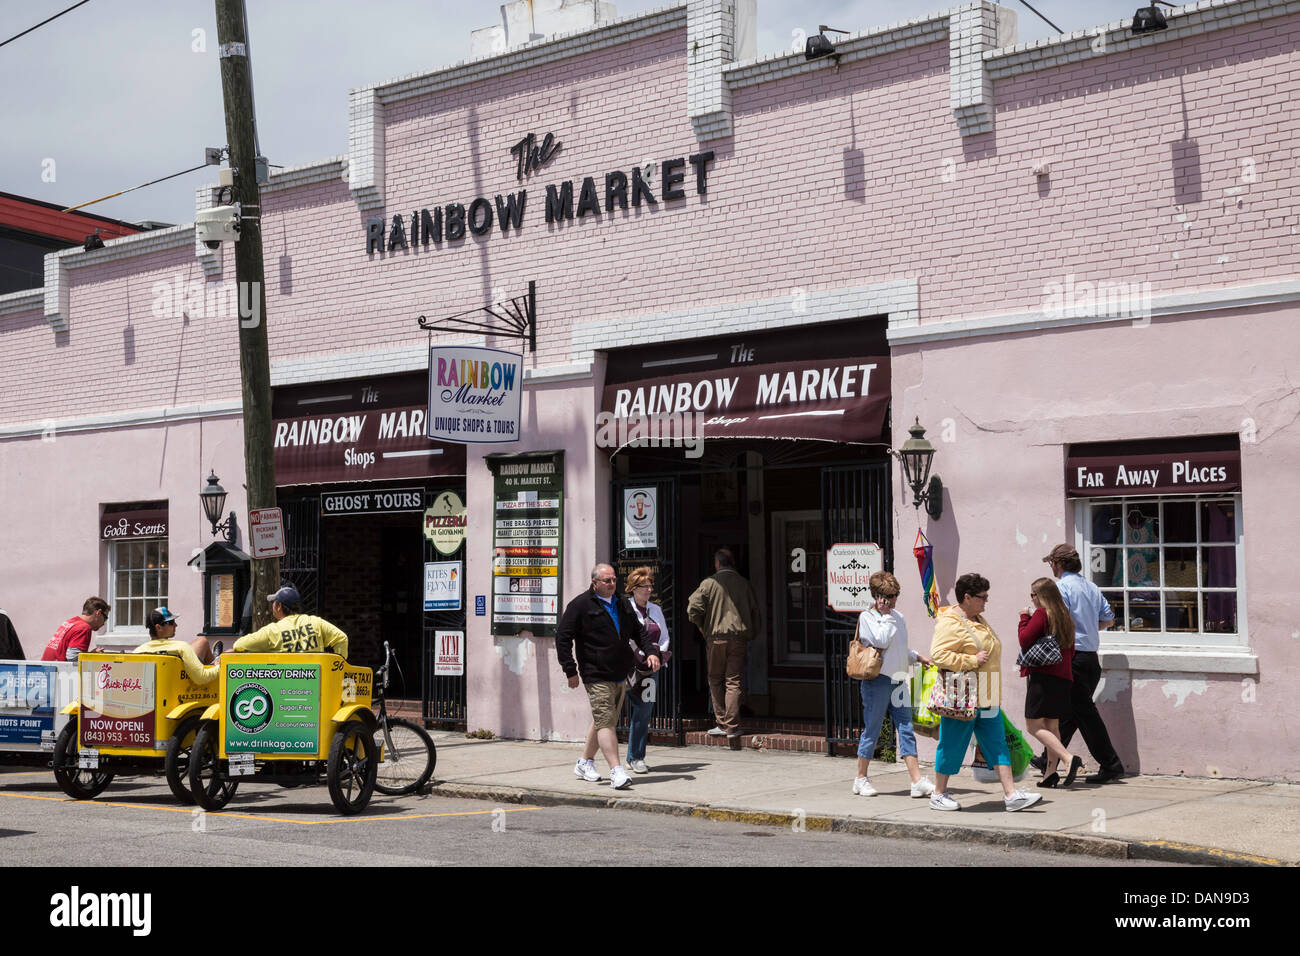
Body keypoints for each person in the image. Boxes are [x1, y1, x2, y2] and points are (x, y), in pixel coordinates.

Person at [928, 573, 1042, 813]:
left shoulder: (977, 618)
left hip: (986, 696)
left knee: (997, 744)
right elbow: (938, 655)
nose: (986, 601)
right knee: (951, 745)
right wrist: (971, 659)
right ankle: (938, 794)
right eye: (982, 597)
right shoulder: (950, 622)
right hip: (963, 698)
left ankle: (1011, 795)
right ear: (967, 597)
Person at [556, 564, 661, 791]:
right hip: (595, 673)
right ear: (594, 583)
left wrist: (651, 652)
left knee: (605, 719)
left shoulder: (621, 603)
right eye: (607, 580)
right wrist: (570, 670)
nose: (612, 584)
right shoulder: (580, 606)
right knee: (606, 721)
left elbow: (638, 631)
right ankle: (617, 770)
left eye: (614, 580)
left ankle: (584, 762)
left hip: (619, 672)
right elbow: (563, 638)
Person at [1032, 544, 1126, 784]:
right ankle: (1048, 759)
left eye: (1051, 563)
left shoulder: (1060, 588)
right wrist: (1085, 628)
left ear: (1058, 563)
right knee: (1071, 713)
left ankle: (1111, 764)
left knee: (1083, 713)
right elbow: (1107, 620)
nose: (1051, 567)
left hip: (1073, 657)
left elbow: (1055, 620)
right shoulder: (1091, 587)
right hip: (1090, 658)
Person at [852, 571, 935, 798]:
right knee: (873, 729)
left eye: (896, 594)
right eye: (889, 595)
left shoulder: (898, 616)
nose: (894, 599)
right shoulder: (867, 617)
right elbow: (880, 640)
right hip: (877, 681)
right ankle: (861, 778)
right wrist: (886, 616)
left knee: (906, 729)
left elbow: (898, 648)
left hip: (898, 679)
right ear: (879, 596)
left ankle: (917, 781)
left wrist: (917, 657)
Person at [687, 548, 761, 739]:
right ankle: (732, 727)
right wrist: (750, 634)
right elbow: (755, 614)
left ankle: (721, 723)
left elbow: (693, 608)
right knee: (733, 681)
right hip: (738, 638)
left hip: (716, 638)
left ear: (717, 563)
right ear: (733, 563)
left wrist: (703, 629)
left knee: (715, 679)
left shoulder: (709, 583)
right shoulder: (744, 584)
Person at [1017, 578, 1083, 787]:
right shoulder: (1065, 616)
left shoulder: (1041, 614)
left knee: (1033, 725)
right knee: (1052, 726)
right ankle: (1049, 774)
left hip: (1043, 677)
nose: (1032, 599)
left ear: (1041, 596)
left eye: (1033, 595)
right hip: (1063, 677)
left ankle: (1068, 758)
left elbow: (1025, 639)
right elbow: (1071, 651)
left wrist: (1023, 617)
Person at [624, 566, 670, 775]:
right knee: (616, 710)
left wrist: (658, 655)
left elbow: (665, 636)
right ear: (633, 588)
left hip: (651, 668)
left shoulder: (656, 610)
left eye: (650, 586)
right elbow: (627, 637)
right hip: (629, 667)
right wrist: (639, 655)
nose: (649, 590)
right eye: (644, 586)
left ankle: (636, 757)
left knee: (644, 710)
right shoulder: (626, 609)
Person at [230, 585, 348, 658]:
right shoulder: (316, 622)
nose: (272, 606)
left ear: (279, 606)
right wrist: (338, 667)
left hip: (287, 686)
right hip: (316, 681)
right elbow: (341, 638)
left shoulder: (272, 631)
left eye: (273, 603)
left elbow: (239, 645)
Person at [132, 607, 218, 684]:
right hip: (182, 689)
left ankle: (214, 660)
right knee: (203, 641)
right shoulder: (181, 647)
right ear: (158, 628)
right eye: (171, 622)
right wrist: (223, 666)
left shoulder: (137, 651)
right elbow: (201, 678)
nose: (176, 625)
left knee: (202, 642)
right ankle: (215, 662)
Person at [41, 597, 110, 662]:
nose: (104, 623)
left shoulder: (70, 622)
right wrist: (93, 657)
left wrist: (91, 654)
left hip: (45, 669)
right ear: (98, 613)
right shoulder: (84, 628)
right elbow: (73, 658)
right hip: (57, 672)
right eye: (105, 618)